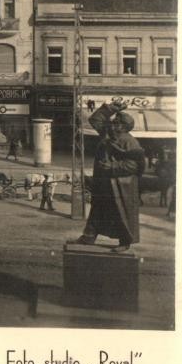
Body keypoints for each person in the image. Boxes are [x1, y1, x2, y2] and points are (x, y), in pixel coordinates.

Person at [74, 102, 145, 252]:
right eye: (113, 122)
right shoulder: (108, 134)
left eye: (116, 123)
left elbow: (134, 166)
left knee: (121, 212)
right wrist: (111, 109)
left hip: (120, 185)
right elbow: (95, 120)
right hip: (105, 182)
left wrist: (112, 167)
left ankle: (125, 242)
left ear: (124, 127)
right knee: (98, 208)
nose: (112, 124)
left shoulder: (130, 142)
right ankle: (89, 237)